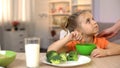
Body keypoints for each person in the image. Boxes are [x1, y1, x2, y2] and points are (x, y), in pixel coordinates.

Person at [47, 10, 120, 58]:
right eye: (88, 21)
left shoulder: (100, 41)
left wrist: (106, 52)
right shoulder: (73, 44)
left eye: (93, 19)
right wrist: (67, 38)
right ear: (77, 30)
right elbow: (50, 51)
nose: (94, 22)